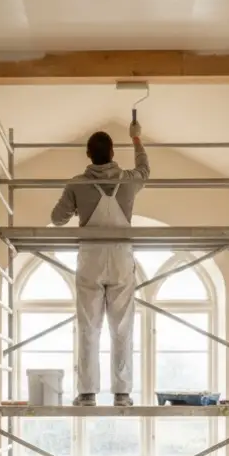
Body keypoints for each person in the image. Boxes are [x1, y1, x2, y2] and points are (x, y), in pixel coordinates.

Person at [50, 121, 149, 406]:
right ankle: (122, 394)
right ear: (113, 152)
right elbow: (145, 170)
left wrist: (77, 203)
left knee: (89, 327)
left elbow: (57, 218)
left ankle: (87, 393)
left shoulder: (77, 184)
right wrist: (137, 138)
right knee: (122, 328)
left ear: (88, 155)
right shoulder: (129, 180)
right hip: (120, 259)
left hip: (91, 260)